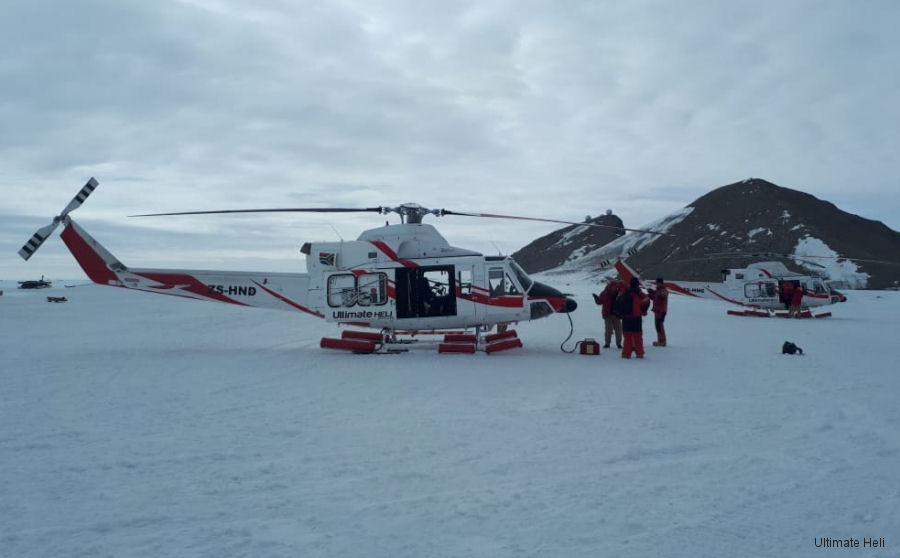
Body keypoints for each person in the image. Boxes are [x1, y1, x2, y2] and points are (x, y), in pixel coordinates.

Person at [619, 277, 650, 359]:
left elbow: (619, 302)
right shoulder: (640, 293)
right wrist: (643, 311)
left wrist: (621, 314)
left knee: (627, 337)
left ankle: (626, 354)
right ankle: (639, 353)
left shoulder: (625, 292)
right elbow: (647, 301)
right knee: (638, 336)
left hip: (626, 318)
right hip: (636, 318)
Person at [593, 280, 623, 349]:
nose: (614, 288)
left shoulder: (620, 293)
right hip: (608, 315)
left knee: (618, 330)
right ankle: (607, 343)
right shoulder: (604, 293)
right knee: (608, 330)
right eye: (613, 286)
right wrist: (596, 298)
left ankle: (619, 344)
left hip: (617, 315)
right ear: (610, 286)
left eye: (616, 287)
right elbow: (599, 302)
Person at [648, 277, 669, 347]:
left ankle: (662, 341)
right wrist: (651, 293)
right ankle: (660, 340)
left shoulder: (663, 290)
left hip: (661, 311)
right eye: (656, 283)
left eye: (658, 283)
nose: (657, 284)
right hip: (657, 310)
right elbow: (654, 298)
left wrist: (657, 294)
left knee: (659, 326)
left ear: (660, 283)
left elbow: (663, 296)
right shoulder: (658, 290)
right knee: (658, 326)